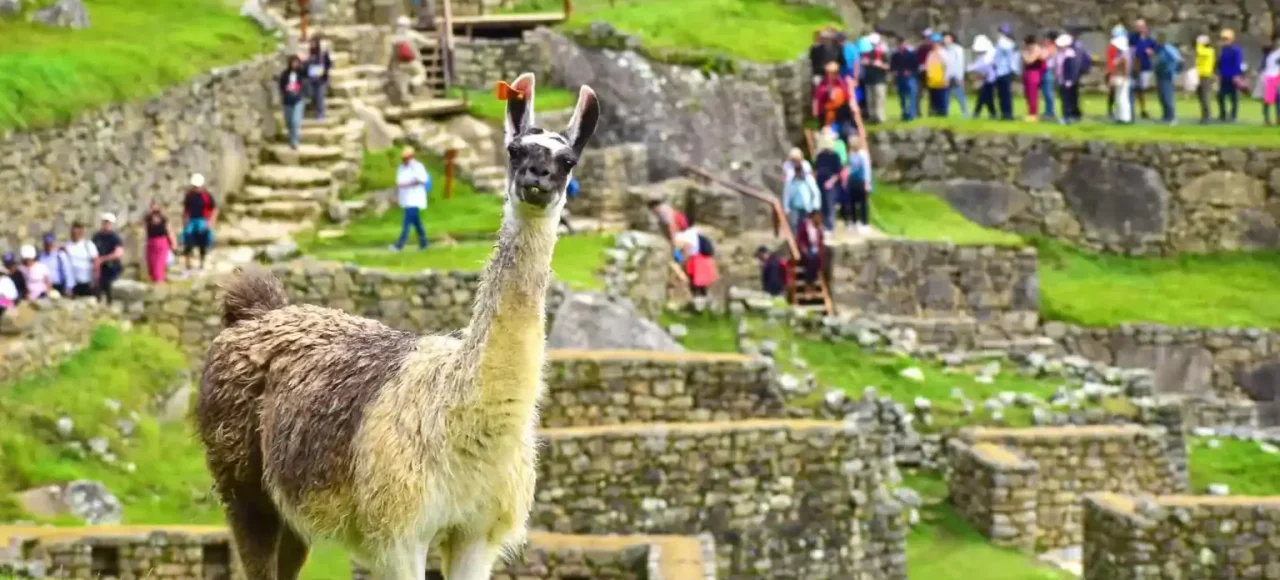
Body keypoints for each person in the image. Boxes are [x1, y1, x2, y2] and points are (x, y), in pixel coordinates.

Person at [391, 146, 430, 252]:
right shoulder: (401, 168)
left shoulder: (417, 166)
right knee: (417, 223)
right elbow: (398, 183)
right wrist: (396, 196)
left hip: (415, 198)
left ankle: (399, 245)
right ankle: (424, 243)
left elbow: (422, 180)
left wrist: (408, 184)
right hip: (405, 198)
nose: (404, 160)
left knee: (406, 223)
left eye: (406, 157)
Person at [182, 173, 218, 272]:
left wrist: (210, 222)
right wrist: (185, 222)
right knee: (188, 242)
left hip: (203, 220)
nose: (195, 188)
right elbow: (186, 209)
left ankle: (202, 264)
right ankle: (188, 265)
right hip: (192, 221)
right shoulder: (189, 196)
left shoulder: (207, 196)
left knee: (203, 242)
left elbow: (214, 209)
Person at [782, 154, 821, 235]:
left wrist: (815, 207)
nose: (798, 173)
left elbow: (816, 193)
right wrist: (786, 208)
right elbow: (787, 195)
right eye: (797, 171)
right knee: (794, 226)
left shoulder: (808, 180)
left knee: (807, 228)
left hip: (807, 208)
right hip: (794, 208)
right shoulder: (790, 182)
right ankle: (796, 244)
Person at [813, 61, 855, 136]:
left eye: (833, 72)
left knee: (844, 129)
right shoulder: (823, 82)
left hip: (841, 110)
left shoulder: (841, 81)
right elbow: (818, 96)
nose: (831, 74)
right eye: (829, 72)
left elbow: (847, 95)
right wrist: (827, 92)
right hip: (825, 110)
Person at [813, 131, 843, 232]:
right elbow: (816, 169)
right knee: (822, 204)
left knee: (830, 204)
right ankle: (824, 224)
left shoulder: (835, 156)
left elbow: (838, 172)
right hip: (820, 182)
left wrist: (831, 181)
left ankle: (830, 226)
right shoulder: (820, 156)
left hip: (831, 183)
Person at [842, 134, 873, 234]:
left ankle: (865, 223)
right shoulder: (851, 155)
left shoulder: (862, 155)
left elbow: (866, 169)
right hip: (852, 181)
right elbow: (850, 167)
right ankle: (855, 222)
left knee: (863, 202)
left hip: (861, 181)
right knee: (852, 202)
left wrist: (867, 183)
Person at [92, 213, 125, 304]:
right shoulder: (97, 236)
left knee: (109, 287)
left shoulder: (115, 238)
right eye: (105, 222)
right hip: (99, 268)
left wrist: (103, 259)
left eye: (108, 223)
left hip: (112, 268)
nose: (106, 224)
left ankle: (110, 305)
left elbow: (118, 253)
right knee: (97, 288)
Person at [144, 200, 178, 284]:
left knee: (158, 265)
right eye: (152, 206)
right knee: (151, 265)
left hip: (161, 243)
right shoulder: (147, 219)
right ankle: (154, 283)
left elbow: (170, 231)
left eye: (156, 207)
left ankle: (159, 283)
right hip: (151, 243)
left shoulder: (164, 219)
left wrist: (174, 243)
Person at [1129, 19, 1158, 119]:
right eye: (1138, 26)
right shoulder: (1132, 38)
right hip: (1134, 67)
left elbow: (1155, 49)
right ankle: (1131, 110)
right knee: (1133, 88)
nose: (1140, 28)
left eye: (1141, 26)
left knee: (1142, 89)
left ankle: (1143, 109)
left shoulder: (1149, 39)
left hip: (1145, 67)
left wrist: (1152, 51)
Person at [1153, 33, 1183, 124]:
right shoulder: (1159, 49)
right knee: (1162, 96)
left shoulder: (1168, 48)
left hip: (1167, 74)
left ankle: (1171, 117)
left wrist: (1174, 70)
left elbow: (1178, 59)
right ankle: (1165, 116)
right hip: (1160, 74)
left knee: (1167, 96)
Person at [63, 222, 98, 298]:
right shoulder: (67, 245)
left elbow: (96, 262)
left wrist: (95, 280)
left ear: (81, 232)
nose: (74, 234)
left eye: (77, 232)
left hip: (86, 282)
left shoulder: (88, 245)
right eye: (73, 232)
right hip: (72, 284)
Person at [993, 25, 1021, 120]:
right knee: (1003, 94)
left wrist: (1013, 69)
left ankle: (1007, 114)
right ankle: (1005, 113)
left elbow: (1011, 58)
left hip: (1004, 71)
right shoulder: (1004, 43)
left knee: (1005, 94)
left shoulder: (1005, 43)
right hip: (1000, 71)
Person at [1217, 29, 1245, 122]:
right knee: (1220, 96)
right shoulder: (1223, 50)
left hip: (1233, 76)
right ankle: (1223, 114)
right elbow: (1221, 63)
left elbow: (1237, 63)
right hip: (1224, 76)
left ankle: (1233, 115)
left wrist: (1237, 75)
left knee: (1233, 97)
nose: (1225, 41)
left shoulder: (1236, 50)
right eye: (1223, 39)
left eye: (1226, 39)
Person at [861, 33, 889, 123]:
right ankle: (872, 116)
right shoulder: (867, 54)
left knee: (879, 98)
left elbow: (888, 66)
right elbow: (863, 63)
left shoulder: (883, 53)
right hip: (869, 79)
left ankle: (880, 117)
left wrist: (880, 65)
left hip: (879, 80)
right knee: (870, 99)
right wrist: (865, 63)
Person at [279, 54, 306, 149]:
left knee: (295, 121)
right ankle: (291, 139)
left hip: (298, 100)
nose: (295, 64)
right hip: (287, 100)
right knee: (289, 122)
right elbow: (281, 86)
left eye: (296, 62)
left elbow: (305, 80)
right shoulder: (285, 74)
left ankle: (295, 142)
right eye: (293, 62)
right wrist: (286, 89)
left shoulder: (301, 73)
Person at [889, 35, 918, 121]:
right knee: (902, 96)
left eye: (903, 43)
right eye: (900, 44)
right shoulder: (895, 55)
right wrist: (896, 72)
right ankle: (904, 113)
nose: (901, 45)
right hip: (900, 77)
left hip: (910, 77)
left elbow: (915, 66)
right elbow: (892, 66)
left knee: (910, 95)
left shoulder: (911, 54)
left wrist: (910, 72)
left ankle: (911, 114)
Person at [969, 35, 999, 119]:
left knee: (983, 97)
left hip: (990, 79)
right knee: (988, 98)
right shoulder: (981, 56)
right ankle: (992, 114)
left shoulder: (990, 55)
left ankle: (977, 113)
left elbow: (985, 66)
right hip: (986, 79)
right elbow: (978, 65)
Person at [1056, 34, 1083, 123]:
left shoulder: (1070, 54)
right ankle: (1067, 115)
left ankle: (1068, 116)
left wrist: (1069, 80)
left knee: (1068, 99)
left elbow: (1071, 69)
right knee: (1064, 99)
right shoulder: (1060, 54)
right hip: (1061, 80)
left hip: (1068, 81)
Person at [305, 35, 333, 121]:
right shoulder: (309, 53)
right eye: (311, 43)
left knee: (320, 96)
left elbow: (328, 64)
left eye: (313, 43)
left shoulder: (323, 53)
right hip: (311, 79)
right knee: (313, 95)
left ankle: (320, 115)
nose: (312, 44)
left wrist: (324, 70)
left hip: (321, 80)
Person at [941, 32, 968, 117]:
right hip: (947, 76)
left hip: (956, 75)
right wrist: (945, 77)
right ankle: (945, 112)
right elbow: (945, 64)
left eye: (947, 38)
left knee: (960, 94)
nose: (945, 40)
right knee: (946, 95)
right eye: (944, 38)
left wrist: (960, 77)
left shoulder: (958, 49)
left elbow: (960, 63)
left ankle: (965, 112)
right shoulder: (943, 50)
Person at [794, 211, 825, 287]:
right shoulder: (804, 225)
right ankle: (810, 284)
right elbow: (800, 239)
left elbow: (820, 241)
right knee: (810, 258)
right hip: (805, 248)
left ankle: (811, 283)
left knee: (815, 258)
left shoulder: (819, 227)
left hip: (815, 249)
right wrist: (803, 248)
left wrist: (820, 230)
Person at [1022, 34, 1047, 121]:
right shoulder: (1028, 50)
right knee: (1027, 94)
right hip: (1027, 73)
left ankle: (1033, 114)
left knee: (1033, 94)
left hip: (1034, 73)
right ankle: (1030, 112)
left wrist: (1026, 54)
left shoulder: (1037, 49)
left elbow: (1029, 60)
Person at [1110, 34, 1135, 124]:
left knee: (1123, 98)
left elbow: (1126, 67)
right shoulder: (1122, 53)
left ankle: (1125, 118)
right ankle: (1120, 116)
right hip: (1121, 77)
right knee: (1119, 98)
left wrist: (1125, 77)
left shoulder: (1124, 54)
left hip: (1123, 78)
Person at [1105, 24, 1127, 118]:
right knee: (1114, 92)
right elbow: (1110, 60)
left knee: (1120, 93)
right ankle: (1111, 110)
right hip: (1115, 72)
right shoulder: (1113, 47)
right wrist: (1111, 72)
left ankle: (1119, 112)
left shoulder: (1122, 46)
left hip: (1119, 72)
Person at [1192, 35, 1216, 123]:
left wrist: (1199, 44)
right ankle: (1204, 115)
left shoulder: (1209, 51)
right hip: (1200, 75)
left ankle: (1207, 116)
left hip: (1206, 76)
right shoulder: (1204, 51)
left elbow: (1200, 52)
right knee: (1200, 96)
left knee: (1205, 96)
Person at [924, 38, 948, 116]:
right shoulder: (930, 53)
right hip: (932, 79)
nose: (934, 45)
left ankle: (942, 112)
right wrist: (928, 73)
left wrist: (946, 77)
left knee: (941, 96)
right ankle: (934, 111)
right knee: (933, 96)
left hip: (941, 78)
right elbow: (927, 65)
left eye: (936, 43)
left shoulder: (943, 53)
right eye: (933, 43)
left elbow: (947, 65)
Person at [1260, 41, 1280, 125]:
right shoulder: (1274, 55)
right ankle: (1277, 118)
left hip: (1268, 78)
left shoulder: (1267, 57)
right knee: (1277, 99)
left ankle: (1267, 118)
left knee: (1268, 100)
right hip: (1274, 77)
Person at [1041, 33, 1059, 121]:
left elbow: (1043, 57)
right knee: (1045, 92)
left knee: (1048, 92)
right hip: (1043, 71)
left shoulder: (1052, 48)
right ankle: (1047, 111)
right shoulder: (1046, 48)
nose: (1044, 40)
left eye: (1046, 39)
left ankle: (1050, 112)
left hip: (1048, 71)